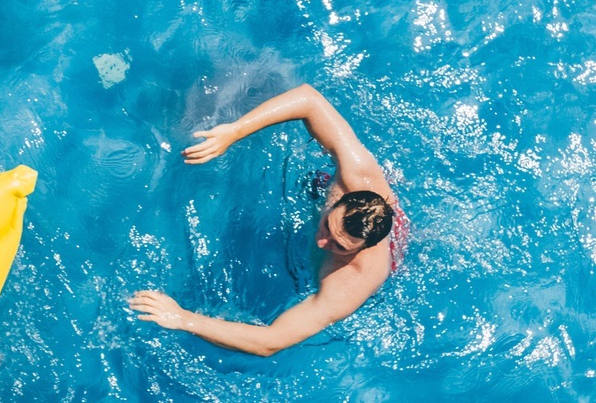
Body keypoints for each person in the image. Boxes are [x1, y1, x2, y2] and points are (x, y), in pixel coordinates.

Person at [129, 85, 404, 356]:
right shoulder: (357, 174)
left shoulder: (350, 282)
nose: (322, 242)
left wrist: (182, 318)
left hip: (386, 252)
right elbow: (309, 99)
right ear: (340, 200)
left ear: (360, 249)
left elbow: (271, 341)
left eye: (340, 246)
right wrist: (234, 132)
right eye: (327, 227)